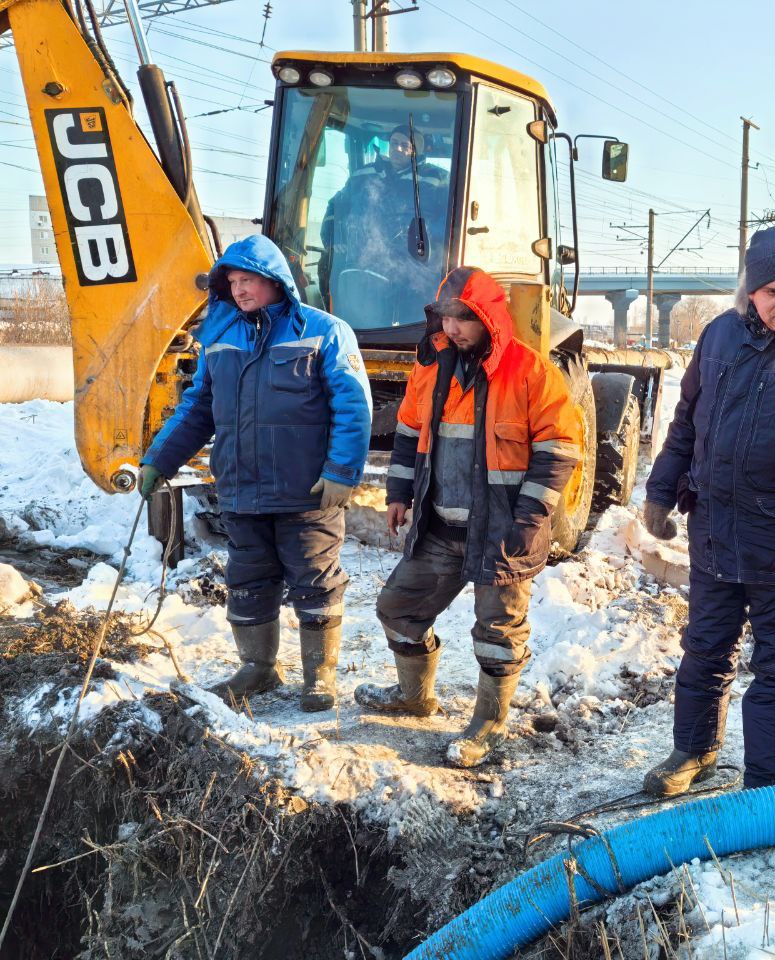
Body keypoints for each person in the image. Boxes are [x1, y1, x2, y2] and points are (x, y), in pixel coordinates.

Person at [641, 226, 775, 795]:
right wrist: (661, 492)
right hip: (715, 527)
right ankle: (693, 751)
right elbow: (688, 419)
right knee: (704, 648)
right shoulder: (719, 336)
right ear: (750, 292)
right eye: (772, 292)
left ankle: (767, 784)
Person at [354, 266, 582, 768]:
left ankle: (490, 723)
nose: (452, 329)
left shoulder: (529, 371)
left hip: (501, 531)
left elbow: (560, 446)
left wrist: (529, 517)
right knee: (397, 609)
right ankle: (415, 695)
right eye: (445, 318)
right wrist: (399, 492)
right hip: (440, 528)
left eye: (463, 318)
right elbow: (410, 433)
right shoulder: (432, 367)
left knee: (498, 633)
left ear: (489, 317)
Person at [138, 234, 372, 712]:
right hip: (241, 489)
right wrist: (159, 459)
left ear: (275, 281)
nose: (240, 290)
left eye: (248, 280)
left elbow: (353, 407)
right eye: (233, 282)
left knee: (315, 578)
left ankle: (319, 677)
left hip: (306, 490)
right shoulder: (220, 340)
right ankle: (258, 668)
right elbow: (197, 407)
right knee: (246, 578)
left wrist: (342, 471)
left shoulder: (325, 331)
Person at [319, 123, 449, 328]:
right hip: (367, 259)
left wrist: (429, 244)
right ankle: (342, 330)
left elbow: (448, 220)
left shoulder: (437, 178)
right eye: (394, 143)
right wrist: (334, 239)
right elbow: (337, 206)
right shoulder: (365, 175)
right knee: (331, 270)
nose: (398, 148)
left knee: (414, 316)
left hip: (415, 263)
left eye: (406, 145)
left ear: (419, 151)